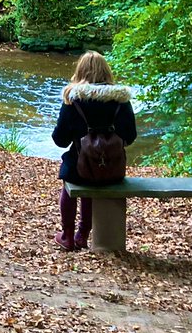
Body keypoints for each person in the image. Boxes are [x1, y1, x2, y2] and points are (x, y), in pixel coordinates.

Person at [51, 51, 136, 251]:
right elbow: (130, 136)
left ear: (80, 72)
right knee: (90, 174)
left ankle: (68, 236)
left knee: (70, 175)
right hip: (112, 170)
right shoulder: (121, 100)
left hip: (80, 169)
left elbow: (60, 140)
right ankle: (83, 234)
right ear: (106, 71)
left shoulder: (73, 100)